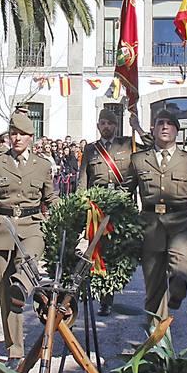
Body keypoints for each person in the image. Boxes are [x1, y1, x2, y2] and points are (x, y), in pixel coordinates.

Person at [0, 111, 57, 359]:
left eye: (22, 134)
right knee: (4, 292)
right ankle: (15, 347)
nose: (17, 138)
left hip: (32, 226)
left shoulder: (42, 165)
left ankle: (23, 284)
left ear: (31, 137)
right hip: (2, 227)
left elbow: (50, 198)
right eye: (13, 133)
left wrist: (63, 218)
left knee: (26, 268)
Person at [127, 111, 187, 319]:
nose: (165, 127)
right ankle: (156, 344)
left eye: (170, 124)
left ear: (177, 131)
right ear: (153, 130)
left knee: (179, 260)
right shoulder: (138, 159)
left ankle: (178, 290)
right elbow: (125, 193)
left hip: (182, 224)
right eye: (160, 123)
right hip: (149, 226)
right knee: (153, 290)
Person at [78, 107, 145, 314]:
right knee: (98, 253)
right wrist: (80, 206)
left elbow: (153, 148)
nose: (106, 126)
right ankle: (104, 299)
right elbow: (83, 180)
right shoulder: (90, 150)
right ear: (98, 126)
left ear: (116, 126)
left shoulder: (128, 144)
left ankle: (114, 288)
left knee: (118, 253)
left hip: (121, 206)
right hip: (97, 207)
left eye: (110, 123)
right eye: (103, 123)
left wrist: (138, 128)